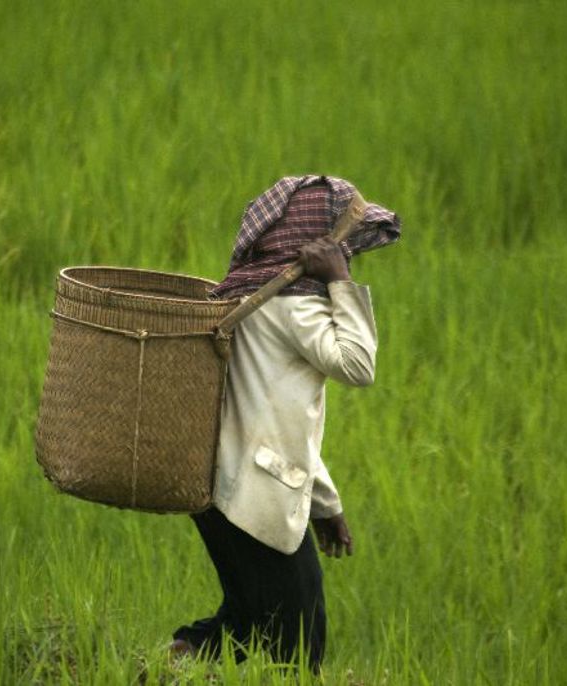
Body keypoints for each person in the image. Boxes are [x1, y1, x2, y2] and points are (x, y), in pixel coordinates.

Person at [170, 176, 400, 673]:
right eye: (343, 248)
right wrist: (339, 281)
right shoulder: (294, 306)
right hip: (254, 496)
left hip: (213, 489)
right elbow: (358, 366)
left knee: (248, 620)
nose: (350, 257)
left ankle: (168, 665)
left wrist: (324, 505)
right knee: (300, 639)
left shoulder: (243, 297)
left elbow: (276, 418)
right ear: (315, 245)